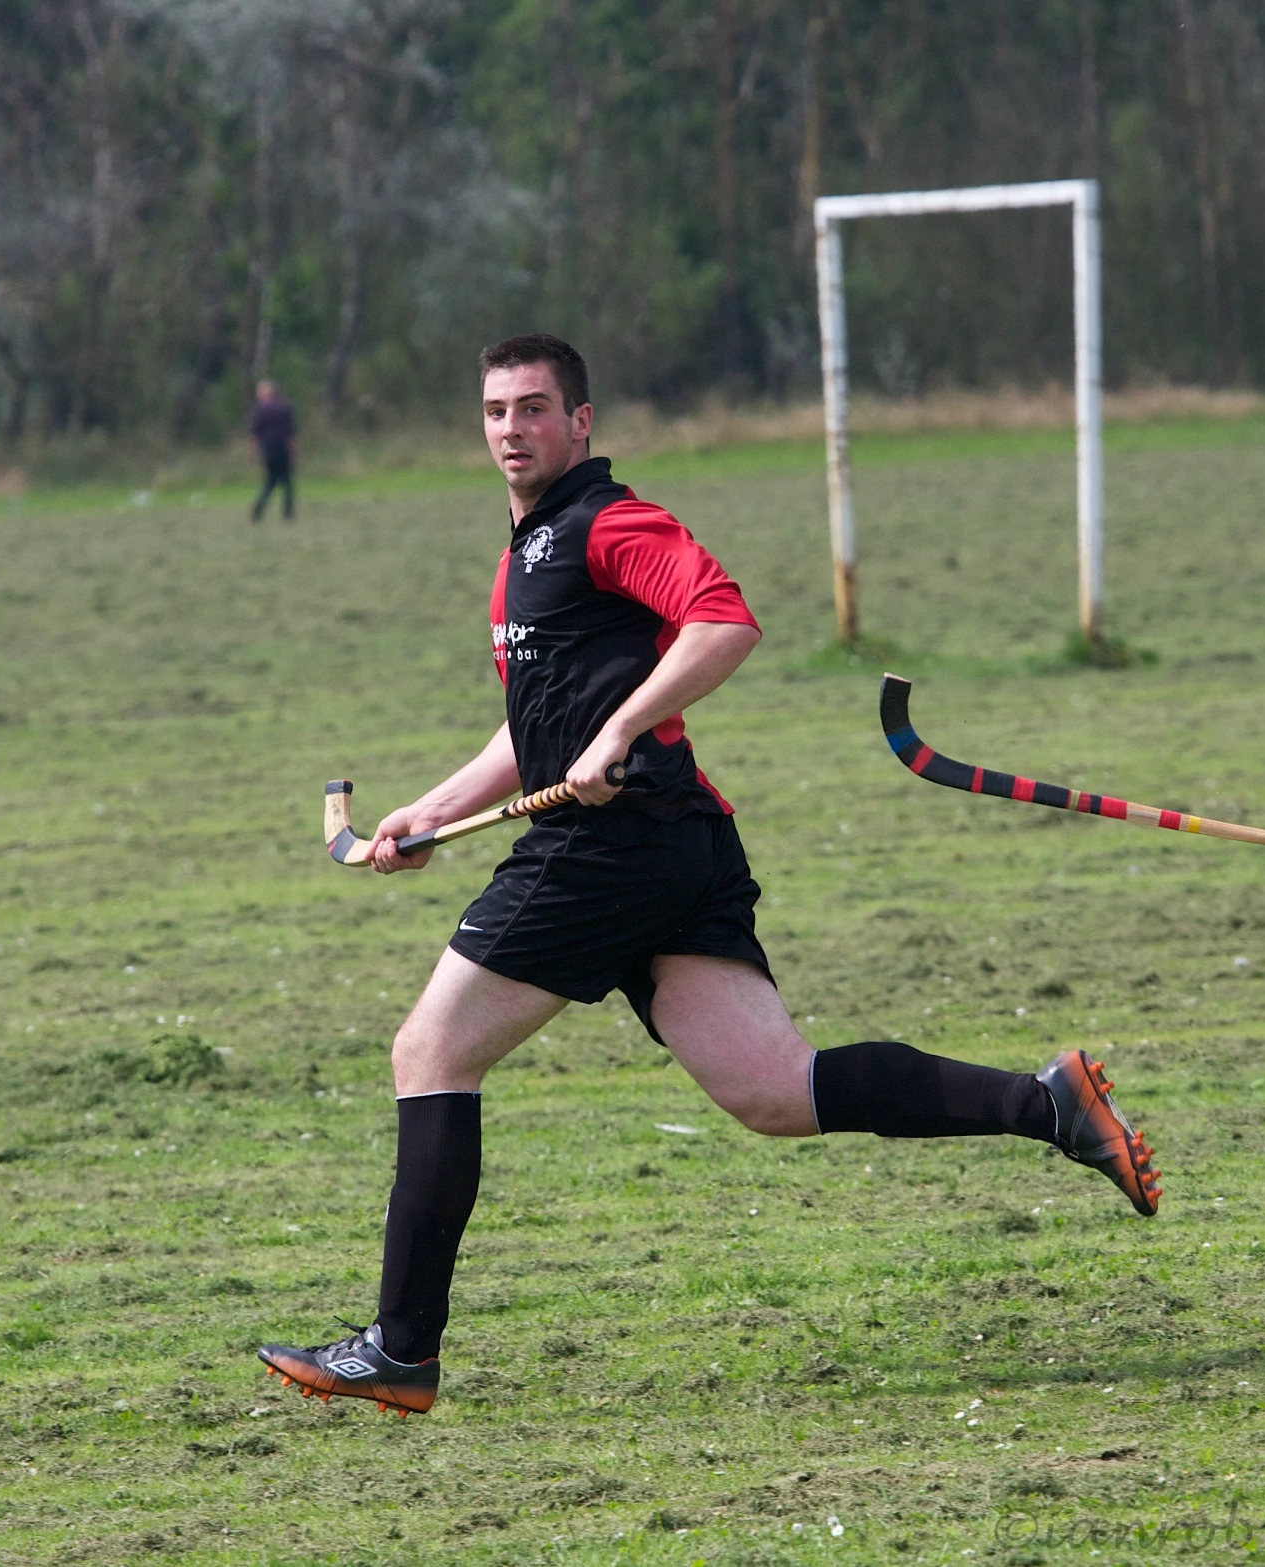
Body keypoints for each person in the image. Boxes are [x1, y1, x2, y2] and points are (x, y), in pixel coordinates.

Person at [256, 332, 1162, 1417]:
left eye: (534, 409)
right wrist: (434, 808)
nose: (512, 429)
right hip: (672, 844)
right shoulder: (526, 550)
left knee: (430, 1048)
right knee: (774, 1091)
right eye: (496, 410)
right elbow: (540, 728)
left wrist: (623, 727)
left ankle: (402, 1348)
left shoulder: (605, 522)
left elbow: (723, 620)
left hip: (612, 846)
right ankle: (1047, 1104)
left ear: (579, 422)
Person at [248, 379, 297, 522]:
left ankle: (258, 509)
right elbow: (291, 434)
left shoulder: (259, 411)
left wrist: (253, 453)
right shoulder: (284, 408)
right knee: (287, 483)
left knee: (270, 482)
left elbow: (254, 435)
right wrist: (294, 452)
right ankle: (288, 514)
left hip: (268, 451)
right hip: (283, 450)